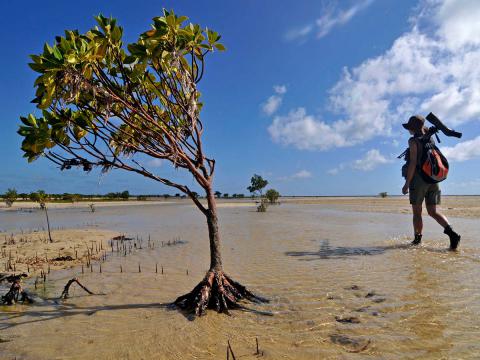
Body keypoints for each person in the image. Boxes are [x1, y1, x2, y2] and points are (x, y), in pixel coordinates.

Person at [401, 115, 461, 250]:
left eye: (409, 128)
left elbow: (413, 163)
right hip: (434, 179)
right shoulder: (430, 138)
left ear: (412, 128)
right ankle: (452, 233)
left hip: (419, 180)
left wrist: (406, 184)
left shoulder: (413, 141)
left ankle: (417, 241)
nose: (408, 130)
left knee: (417, 212)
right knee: (433, 211)